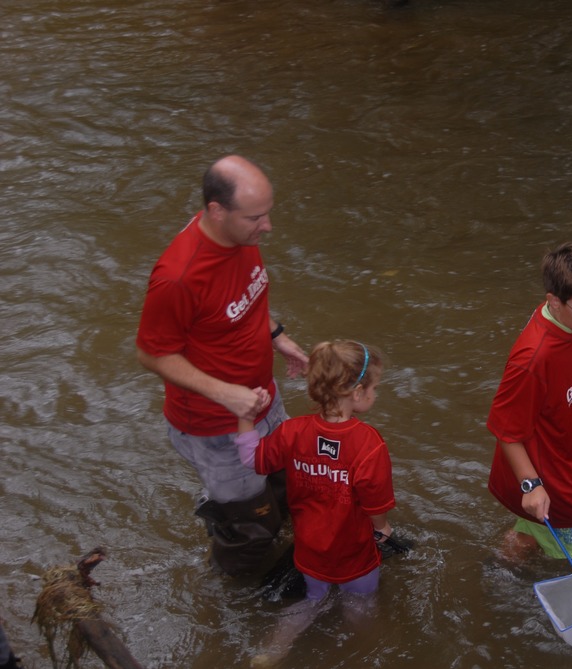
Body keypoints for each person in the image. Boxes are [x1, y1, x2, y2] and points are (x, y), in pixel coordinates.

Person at [136, 155, 309, 576]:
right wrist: (225, 393)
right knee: (251, 527)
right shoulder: (178, 278)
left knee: (287, 484)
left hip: (262, 397)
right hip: (215, 426)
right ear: (217, 211)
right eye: (256, 217)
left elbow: (247, 299)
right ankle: (234, 603)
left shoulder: (242, 240)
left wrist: (278, 337)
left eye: (268, 214)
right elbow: (151, 353)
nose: (267, 227)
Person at [234, 340, 395, 667]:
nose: (375, 394)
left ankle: (271, 652)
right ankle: (377, 654)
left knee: (311, 600)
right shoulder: (369, 444)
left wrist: (245, 418)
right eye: (375, 387)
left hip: (309, 550)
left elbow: (253, 459)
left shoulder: (292, 432)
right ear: (358, 392)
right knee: (359, 605)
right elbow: (375, 501)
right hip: (354, 554)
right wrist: (383, 528)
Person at [487, 241, 572, 566]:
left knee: (536, 528)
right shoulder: (532, 360)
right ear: (554, 301)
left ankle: (498, 568)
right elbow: (505, 431)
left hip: (565, 453)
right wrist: (532, 485)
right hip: (551, 473)